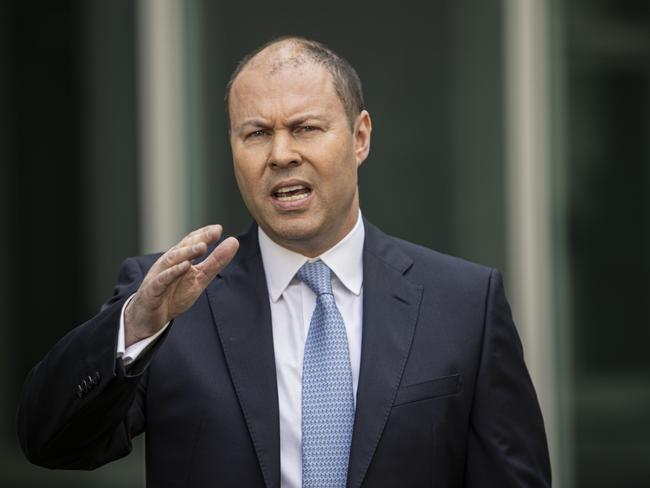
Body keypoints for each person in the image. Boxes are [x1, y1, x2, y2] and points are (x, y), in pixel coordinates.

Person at [17, 36, 551, 487]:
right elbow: (51, 442)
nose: (280, 154)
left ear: (360, 136)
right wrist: (136, 325)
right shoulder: (171, 300)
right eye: (256, 133)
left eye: (305, 128)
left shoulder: (462, 304)